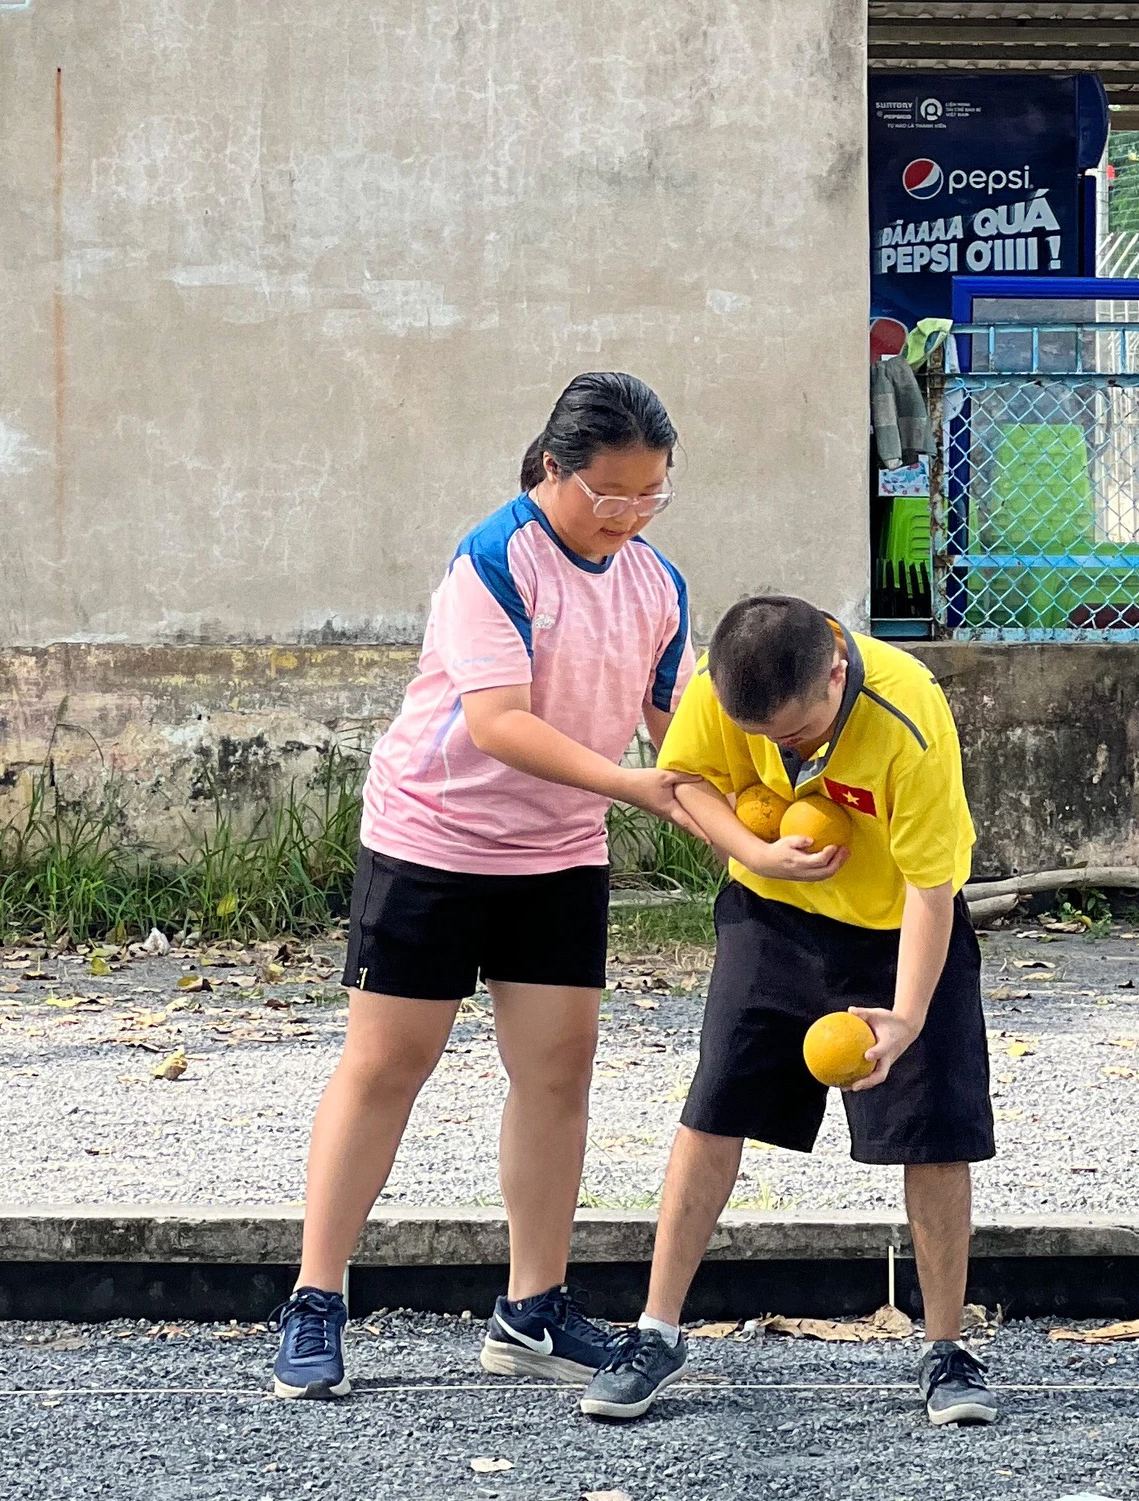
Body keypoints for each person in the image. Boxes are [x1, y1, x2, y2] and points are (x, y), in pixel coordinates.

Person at [271, 372, 700, 1399]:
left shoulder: (657, 583)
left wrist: (749, 818)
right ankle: (315, 1297)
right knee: (386, 1066)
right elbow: (499, 721)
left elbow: (675, 727)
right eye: (611, 496)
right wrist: (635, 789)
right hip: (432, 839)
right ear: (553, 471)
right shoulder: (493, 560)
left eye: (652, 496)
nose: (629, 516)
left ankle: (530, 1311)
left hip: (556, 856)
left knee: (555, 1076)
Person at [579, 596, 997, 1426]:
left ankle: (946, 1347)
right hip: (770, 914)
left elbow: (929, 889)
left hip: (893, 929)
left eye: (797, 736)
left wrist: (908, 1016)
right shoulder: (722, 682)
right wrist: (753, 850)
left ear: (837, 670)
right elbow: (684, 779)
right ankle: (657, 1331)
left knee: (937, 1132)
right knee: (713, 1110)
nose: (780, 751)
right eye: (764, 737)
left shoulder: (909, 714)